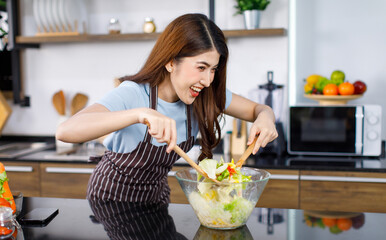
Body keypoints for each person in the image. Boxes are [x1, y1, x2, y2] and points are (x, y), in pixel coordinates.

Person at [56, 13, 278, 205]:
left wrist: (266, 117)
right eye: (201, 67)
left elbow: (259, 109)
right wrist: (140, 114)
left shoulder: (204, 96)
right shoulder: (134, 93)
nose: (208, 80)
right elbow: (66, 131)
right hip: (112, 200)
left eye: (213, 70)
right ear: (171, 62)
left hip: (156, 197)